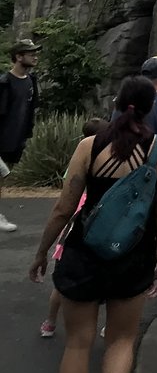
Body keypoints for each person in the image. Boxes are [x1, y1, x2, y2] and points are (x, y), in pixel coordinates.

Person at [29, 76, 157, 373]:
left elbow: (63, 208)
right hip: (134, 256)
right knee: (122, 341)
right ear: (150, 108)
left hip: (84, 253)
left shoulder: (89, 145)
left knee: (78, 343)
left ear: (117, 104)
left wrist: (42, 252)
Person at [39, 116, 108, 339]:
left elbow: (65, 200)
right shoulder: (107, 162)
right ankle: (108, 325)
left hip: (71, 231)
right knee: (106, 282)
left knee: (61, 283)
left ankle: (50, 321)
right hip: (95, 227)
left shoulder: (78, 160)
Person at [0, 36, 42, 233]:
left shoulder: (31, 81)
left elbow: (30, 110)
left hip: (15, 141)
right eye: (30, 53)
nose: (35, 57)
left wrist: (25, 136)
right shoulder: (4, 82)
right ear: (18, 57)